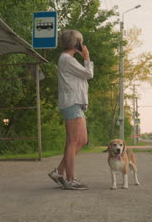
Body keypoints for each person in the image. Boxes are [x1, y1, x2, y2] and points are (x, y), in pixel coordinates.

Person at [48, 30, 94, 190]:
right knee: (72, 142)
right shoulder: (67, 59)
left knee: (81, 141)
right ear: (77, 44)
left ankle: (59, 171)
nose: (83, 44)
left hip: (76, 103)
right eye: (81, 41)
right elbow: (89, 74)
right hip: (72, 103)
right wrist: (87, 57)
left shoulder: (68, 60)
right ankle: (70, 179)